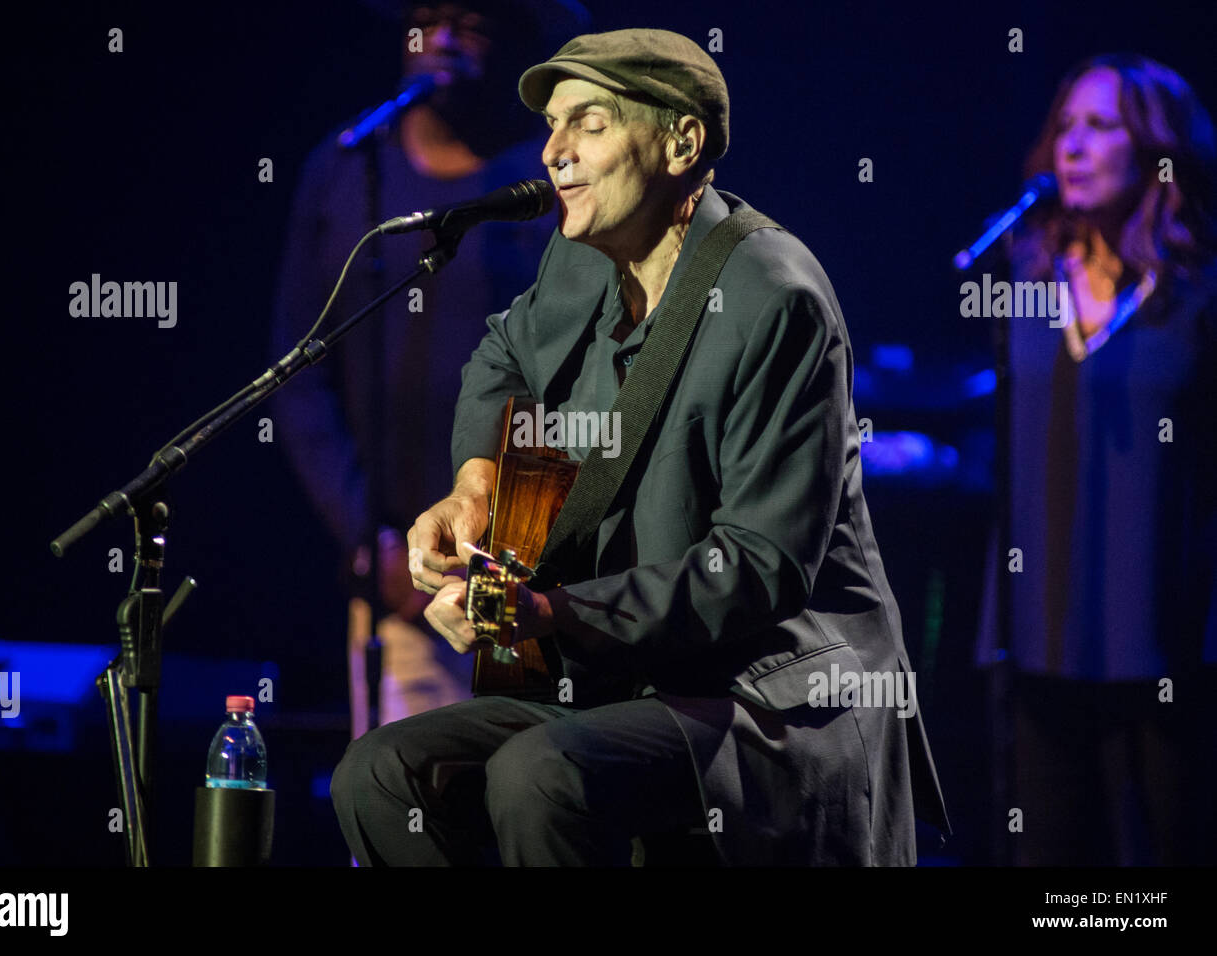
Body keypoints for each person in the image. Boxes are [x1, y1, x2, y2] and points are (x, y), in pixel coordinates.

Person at [331, 27, 951, 865]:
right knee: (381, 767)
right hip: (622, 676)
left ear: (680, 142)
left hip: (770, 692)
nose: (553, 152)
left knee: (540, 773)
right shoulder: (579, 261)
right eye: (551, 127)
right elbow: (500, 355)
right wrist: (474, 486)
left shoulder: (775, 296)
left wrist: (556, 613)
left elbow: (763, 564)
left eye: (586, 123)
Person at [270, 0, 588, 720]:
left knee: (532, 806)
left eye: (472, 19)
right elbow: (299, 373)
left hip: (536, 575)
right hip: (398, 587)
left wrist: (525, 550)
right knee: (404, 812)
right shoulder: (350, 167)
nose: (444, 38)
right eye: (429, 16)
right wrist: (367, 538)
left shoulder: (552, 178)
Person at [977, 54, 1217, 865]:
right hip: (1043, 636)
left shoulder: (1198, 294)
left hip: (1169, 643)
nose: (1072, 147)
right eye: (1064, 128)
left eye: (1101, 126)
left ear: (1157, 148)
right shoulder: (1026, 283)